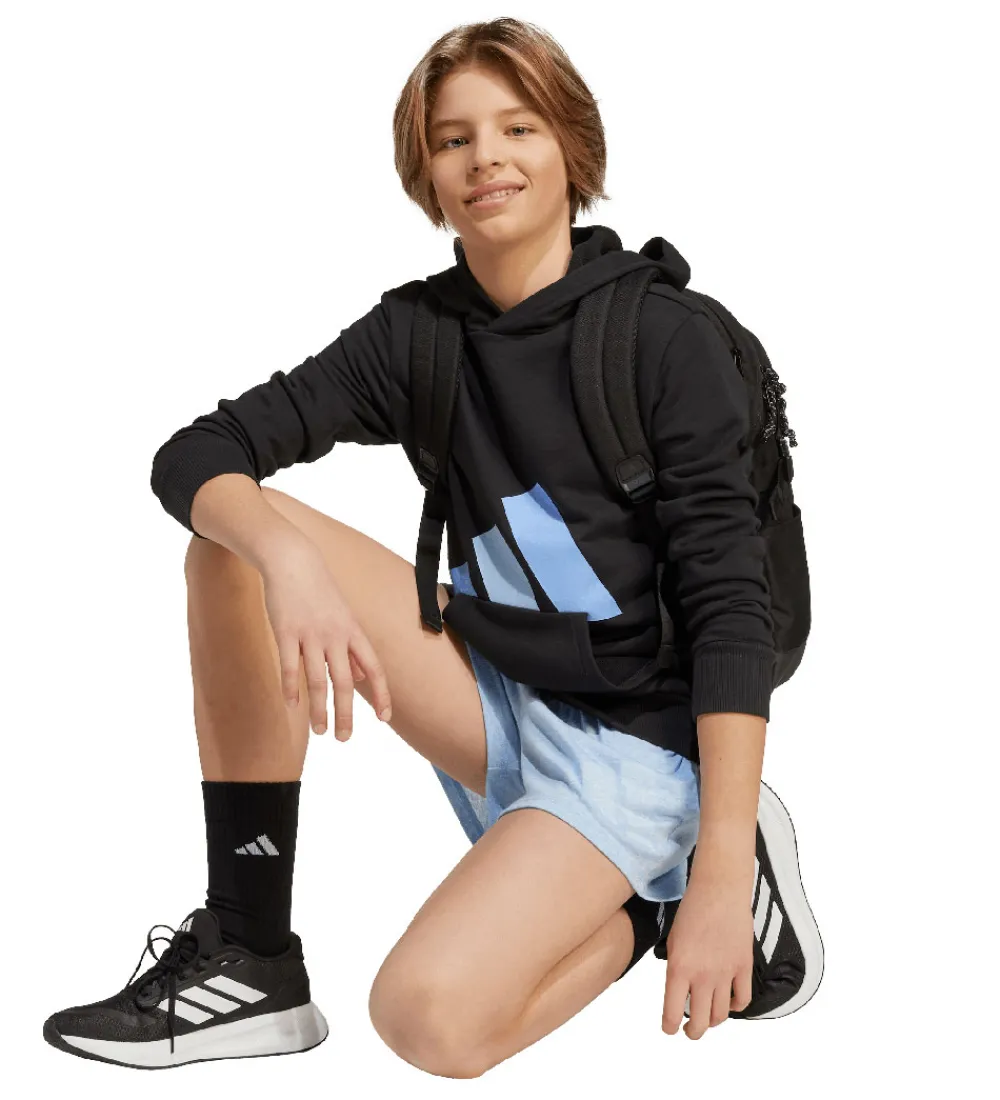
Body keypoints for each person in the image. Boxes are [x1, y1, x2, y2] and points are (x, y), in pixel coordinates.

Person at [43, 16, 820, 1075]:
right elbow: (197, 453)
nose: (485, 157)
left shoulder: (666, 337)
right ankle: (252, 952)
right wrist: (288, 559)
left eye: (518, 128)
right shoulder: (422, 333)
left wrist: (722, 873)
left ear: (573, 148)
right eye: (454, 139)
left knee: (426, 1021)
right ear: (427, 172)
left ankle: (662, 897)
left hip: (645, 742)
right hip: (499, 691)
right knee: (230, 543)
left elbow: (733, 611)